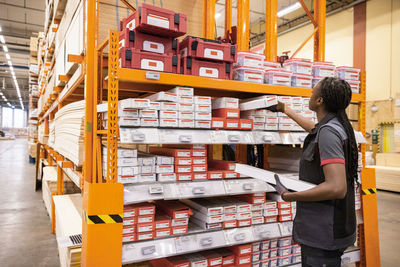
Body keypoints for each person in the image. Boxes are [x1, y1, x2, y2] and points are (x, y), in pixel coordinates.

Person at [268, 77, 358, 267]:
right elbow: (314, 129)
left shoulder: (328, 133)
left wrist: (290, 196)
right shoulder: (335, 126)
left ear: (319, 101)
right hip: (334, 226)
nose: (309, 94)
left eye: (312, 91)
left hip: (324, 230)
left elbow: (336, 188)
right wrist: (286, 110)